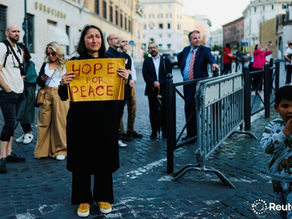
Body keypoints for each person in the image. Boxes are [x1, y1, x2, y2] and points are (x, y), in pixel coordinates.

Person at [58, 25, 129, 217]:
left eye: (97, 36)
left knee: (104, 158)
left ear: (102, 41)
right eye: (90, 37)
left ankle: (103, 196)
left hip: (105, 120)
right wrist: (63, 83)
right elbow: (64, 96)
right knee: (81, 159)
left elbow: (122, 95)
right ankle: (83, 199)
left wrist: (125, 80)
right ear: (84, 40)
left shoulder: (113, 63)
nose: (94, 40)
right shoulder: (75, 63)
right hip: (80, 120)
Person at [177, 30, 218, 142]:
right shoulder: (186, 50)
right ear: (190, 40)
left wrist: (213, 63)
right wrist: (183, 69)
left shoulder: (205, 50)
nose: (198, 39)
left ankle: (198, 133)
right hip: (187, 83)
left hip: (198, 84)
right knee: (188, 108)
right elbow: (179, 57)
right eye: (195, 38)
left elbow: (210, 58)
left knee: (197, 108)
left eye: (199, 37)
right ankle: (191, 134)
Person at [260, 85, 292, 219]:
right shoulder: (272, 126)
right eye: (285, 106)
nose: (290, 111)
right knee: (282, 212)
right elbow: (267, 148)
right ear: (276, 107)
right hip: (278, 179)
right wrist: (285, 133)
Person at [34, 42, 69, 160]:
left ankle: (60, 150)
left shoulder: (65, 64)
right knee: (43, 122)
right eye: (48, 53)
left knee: (59, 122)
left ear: (58, 52)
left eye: (53, 53)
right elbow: (38, 81)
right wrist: (42, 79)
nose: (50, 56)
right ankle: (42, 151)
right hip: (46, 92)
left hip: (60, 93)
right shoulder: (45, 64)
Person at [0, 24, 26, 173]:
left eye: (18, 31)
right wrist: (7, 89)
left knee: (14, 123)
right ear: (7, 33)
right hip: (7, 92)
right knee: (9, 123)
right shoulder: (2, 47)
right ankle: (1, 157)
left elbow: (18, 69)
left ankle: (9, 153)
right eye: (13, 31)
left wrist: (19, 83)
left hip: (18, 92)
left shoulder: (17, 49)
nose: (16, 33)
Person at [106, 33, 131, 147]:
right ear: (109, 42)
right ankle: (114, 138)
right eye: (115, 39)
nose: (118, 40)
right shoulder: (108, 55)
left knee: (118, 115)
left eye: (118, 38)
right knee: (113, 116)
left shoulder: (120, 54)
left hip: (122, 89)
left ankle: (116, 137)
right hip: (113, 91)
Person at [142, 42, 172, 139]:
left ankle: (165, 131)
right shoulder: (146, 61)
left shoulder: (165, 60)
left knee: (165, 111)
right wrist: (153, 82)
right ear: (148, 50)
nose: (153, 49)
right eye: (150, 48)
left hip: (164, 89)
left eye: (154, 47)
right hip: (151, 89)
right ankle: (154, 131)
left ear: (157, 49)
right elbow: (145, 75)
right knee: (153, 111)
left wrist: (160, 82)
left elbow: (169, 74)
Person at [119, 37, 143, 140]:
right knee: (120, 110)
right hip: (120, 86)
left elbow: (132, 69)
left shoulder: (129, 56)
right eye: (123, 41)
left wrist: (133, 79)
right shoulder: (117, 55)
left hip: (130, 85)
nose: (125, 43)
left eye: (126, 42)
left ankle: (130, 130)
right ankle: (121, 132)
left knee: (132, 108)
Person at [15, 43, 37, 144]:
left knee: (26, 112)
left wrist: (22, 78)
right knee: (19, 112)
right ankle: (25, 133)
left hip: (28, 91)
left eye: (21, 50)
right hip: (18, 90)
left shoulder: (29, 63)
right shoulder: (14, 62)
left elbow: (32, 77)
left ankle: (29, 133)